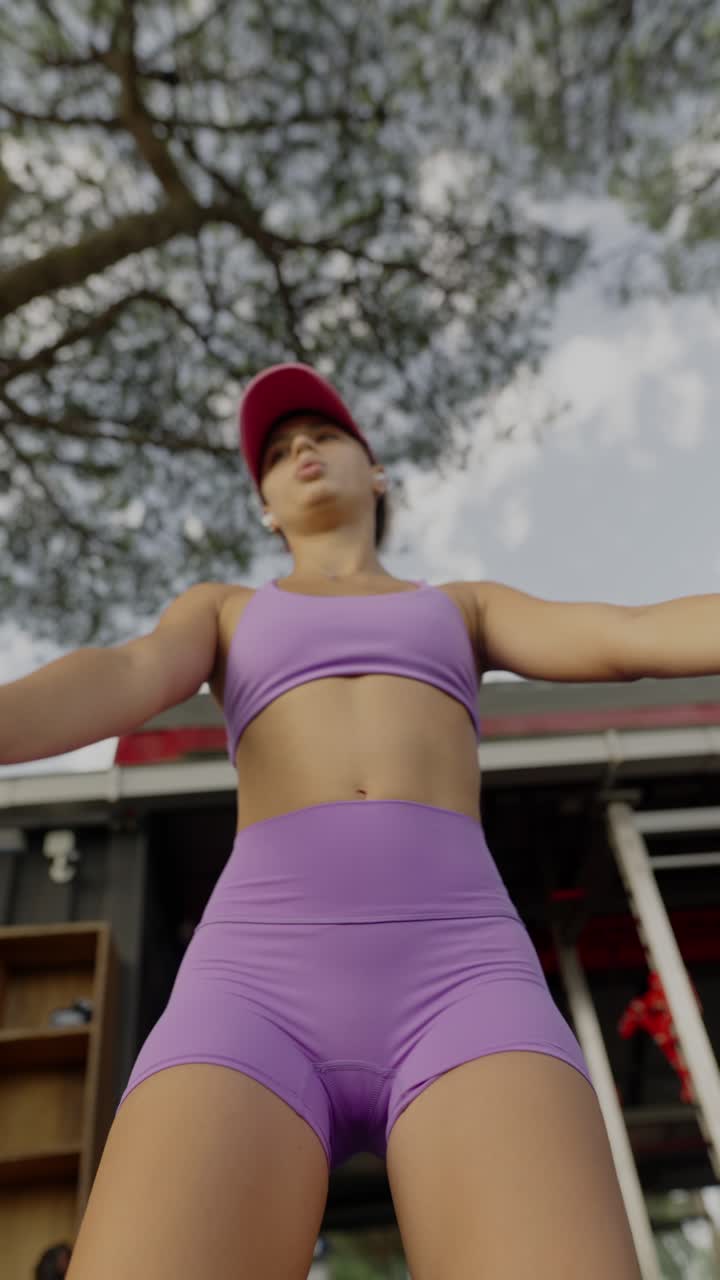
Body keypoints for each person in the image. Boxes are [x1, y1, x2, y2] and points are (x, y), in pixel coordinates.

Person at [50, 361, 641, 1277]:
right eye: (278, 454)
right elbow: (127, 676)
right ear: (266, 508)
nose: (301, 453)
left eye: (322, 436)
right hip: (252, 986)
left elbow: (618, 636)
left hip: (464, 977)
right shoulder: (226, 609)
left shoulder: (462, 607)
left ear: (378, 474)